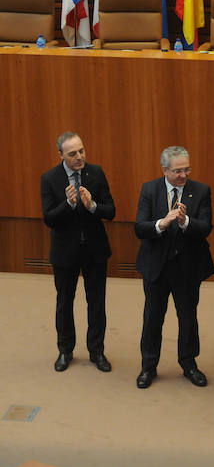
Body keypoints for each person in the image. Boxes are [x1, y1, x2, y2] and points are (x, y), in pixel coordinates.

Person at [134, 146, 214, 389]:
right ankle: (148, 366)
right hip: (156, 267)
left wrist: (185, 221)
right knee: (152, 317)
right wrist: (162, 223)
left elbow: (206, 227)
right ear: (165, 170)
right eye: (178, 171)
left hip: (187, 267)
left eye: (187, 169)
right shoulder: (150, 189)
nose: (183, 175)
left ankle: (189, 364)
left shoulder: (201, 190)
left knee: (188, 318)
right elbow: (140, 227)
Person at [40, 131, 116, 373]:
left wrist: (92, 205)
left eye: (81, 151)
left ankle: (97, 351)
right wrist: (69, 204)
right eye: (72, 154)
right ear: (60, 155)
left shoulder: (96, 173)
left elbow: (111, 211)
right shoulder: (49, 178)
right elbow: (49, 219)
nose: (79, 157)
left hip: (95, 250)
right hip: (65, 253)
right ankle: (65, 350)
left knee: (96, 303)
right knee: (64, 302)